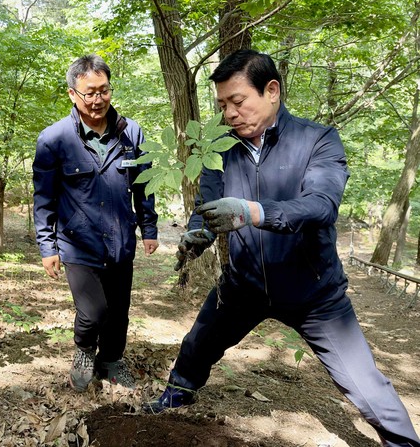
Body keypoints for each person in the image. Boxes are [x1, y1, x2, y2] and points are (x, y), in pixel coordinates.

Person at [144, 49, 420, 446]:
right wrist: (198, 233)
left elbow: (321, 206)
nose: (229, 114)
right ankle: (177, 394)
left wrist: (253, 212)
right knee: (197, 345)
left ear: (271, 91)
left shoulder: (317, 140)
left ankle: (404, 442)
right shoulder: (220, 149)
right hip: (243, 285)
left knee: (364, 382)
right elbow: (208, 204)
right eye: (222, 105)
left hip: (313, 292)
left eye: (238, 101)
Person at [33, 54, 159, 392]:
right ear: (72, 94)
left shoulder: (131, 133)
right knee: (93, 312)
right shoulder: (54, 139)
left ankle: (111, 361)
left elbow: (144, 186)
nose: (98, 99)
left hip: (121, 240)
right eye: (89, 93)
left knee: (118, 311)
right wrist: (47, 246)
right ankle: (85, 351)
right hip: (78, 242)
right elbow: (43, 199)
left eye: (104, 90)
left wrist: (149, 228)